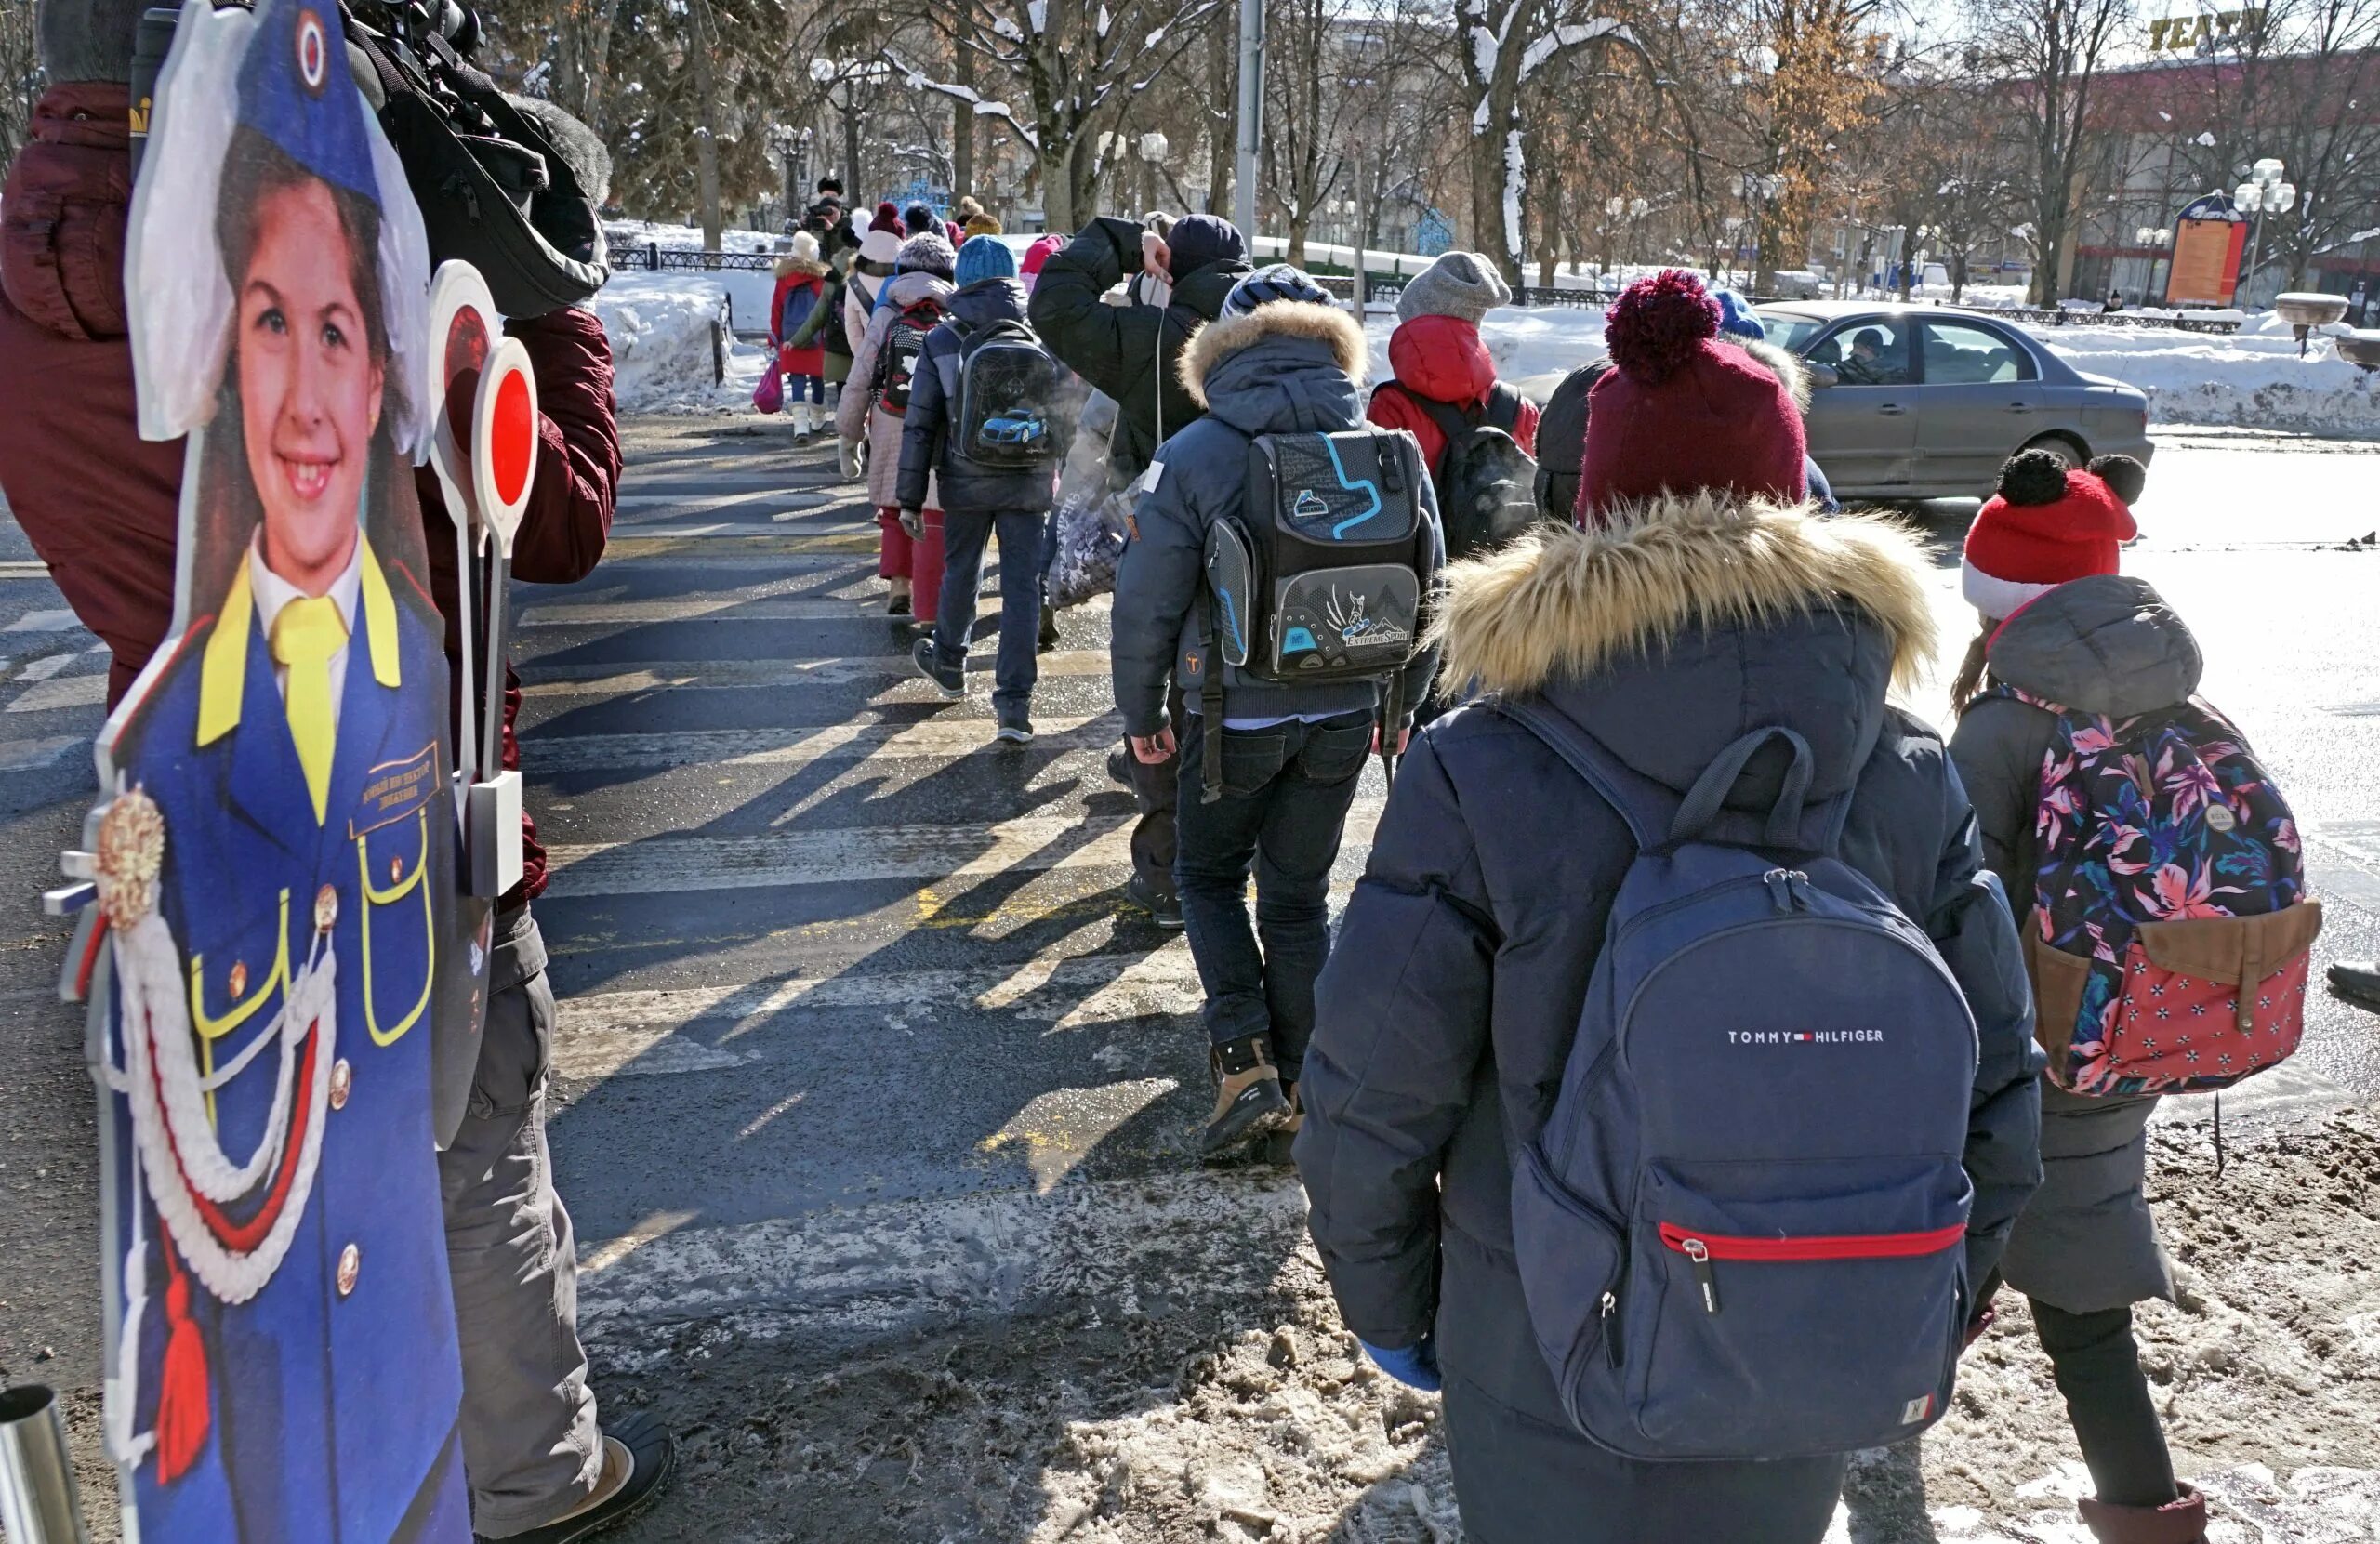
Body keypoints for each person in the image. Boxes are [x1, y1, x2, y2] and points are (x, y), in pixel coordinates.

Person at [0, 6, 671, 1537]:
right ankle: (537, 1475)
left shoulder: (26, 271)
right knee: (468, 1150)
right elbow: (552, 518)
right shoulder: (323, 258)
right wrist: (542, 296)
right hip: (394, 802)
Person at [1296, 269, 2043, 1544]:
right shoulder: (1905, 765)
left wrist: (1393, 1301)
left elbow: (1376, 1083)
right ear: (1797, 501)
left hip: (1536, 1316)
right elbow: (1995, 1076)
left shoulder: (1486, 760)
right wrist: (1927, 1286)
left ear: (1592, 515)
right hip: (1809, 1321)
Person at [1945, 452, 2219, 1544]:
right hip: (2135, 1027)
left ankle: (2150, 1514)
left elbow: (1952, 902)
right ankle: (2150, 1515)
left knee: (1972, 1272)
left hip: (2022, 1050)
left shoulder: (2003, 726)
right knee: (2076, 1292)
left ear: (1999, 600)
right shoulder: (2166, 691)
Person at [1110, 265, 1443, 1159]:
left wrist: (1140, 711)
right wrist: (1401, 705)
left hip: (1229, 717)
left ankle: (1243, 1064)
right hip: (1344, 710)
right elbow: (1434, 590)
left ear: (1222, 353)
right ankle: (1306, 1078)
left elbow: (1144, 601)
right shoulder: (1389, 447)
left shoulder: (1195, 454)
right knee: (1298, 898)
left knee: (1209, 880)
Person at [1031, 211, 1250, 929]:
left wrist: (1120, 241)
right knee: (1240, 712)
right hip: (1262, 554)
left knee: (1164, 701)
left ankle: (1166, 875)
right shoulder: (1271, 336)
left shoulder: (1153, 339)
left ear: (1171, 269)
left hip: (1166, 542)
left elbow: (1053, 301)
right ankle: (1230, 872)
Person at [899, 236, 1060, 743]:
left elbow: (921, 424)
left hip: (964, 478)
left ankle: (949, 660)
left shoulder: (943, 340)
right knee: (1021, 590)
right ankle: (1014, 705)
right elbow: (1066, 410)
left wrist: (908, 497)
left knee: (961, 569)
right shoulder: (1039, 334)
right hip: (1029, 480)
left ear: (962, 280)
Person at [840, 232, 957, 623]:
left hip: (890, 421)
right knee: (930, 513)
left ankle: (898, 588)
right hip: (938, 429)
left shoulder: (888, 312)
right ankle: (928, 609)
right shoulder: (954, 314)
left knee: (893, 508)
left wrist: (848, 434)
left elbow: (860, 376)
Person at [1365, 249, 1542, 496]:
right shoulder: (1519, 408)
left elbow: (1378, 499)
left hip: (1426, 535)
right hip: (1509, 536)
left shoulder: (1390, 406)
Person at [767, 230, 830, 439]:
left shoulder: (784, 279)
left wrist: (775, 336)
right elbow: (827, 312)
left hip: (790, 338)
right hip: (818, 339)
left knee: (797, 380)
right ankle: (818, 417)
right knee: (818, 379)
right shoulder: (821, 280)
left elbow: (777, 309)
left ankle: (800, 426)